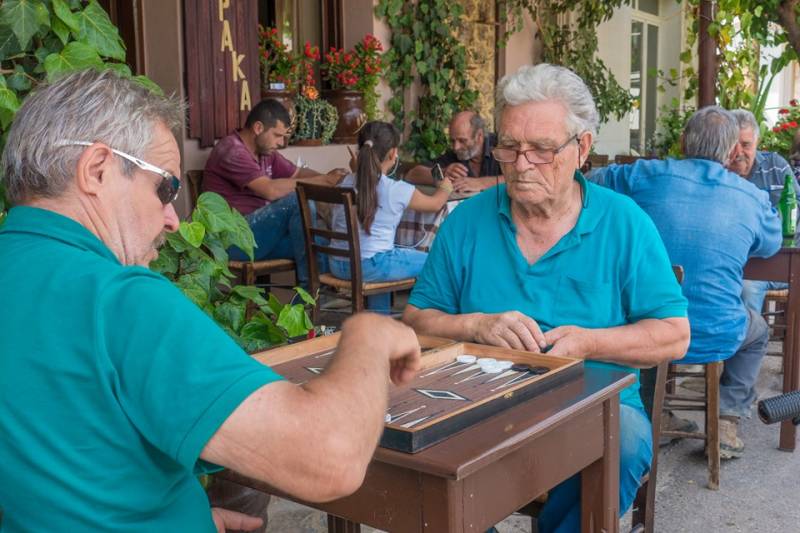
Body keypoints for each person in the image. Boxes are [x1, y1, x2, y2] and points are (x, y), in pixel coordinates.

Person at [0, 69, 422, 532]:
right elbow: (329, 457)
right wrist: (367, 333)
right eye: (165, 188)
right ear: (98, 169)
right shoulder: (118, 301)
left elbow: (65, 465)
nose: (172, 219)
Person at [402, 64, 690, 533]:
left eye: (541, 149)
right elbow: (415, 320)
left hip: (594, 405)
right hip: (476, 402)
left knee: (625, 443)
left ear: (582, 149)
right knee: (412, 460)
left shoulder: (625, 224)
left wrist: (589, 342)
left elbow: (674, 336)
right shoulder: (465, 222)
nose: (520, 164)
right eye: (510, 147)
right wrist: (475, 325)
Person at [592, 106, 782, 459]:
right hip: (715, 333)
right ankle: (725, 419)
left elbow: (595, 180)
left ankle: (655, 412)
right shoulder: (750, 196)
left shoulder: (645, 174)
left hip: (646, 333)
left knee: (645, 311)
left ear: (682, 142)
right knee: (758, 334)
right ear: (732, 152)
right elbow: (772, 243)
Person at [203, 99, 347, 285]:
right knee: (297, 199)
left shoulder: (265, 152)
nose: (281, 142)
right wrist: (324, 181)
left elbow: (298, 173)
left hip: (259, 238)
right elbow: (270, 190)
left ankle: (313, 300)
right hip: (231, 242)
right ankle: (309, 294)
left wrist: (332, 178)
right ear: (258, 128)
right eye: (277, 135)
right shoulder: (232, 151)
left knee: (321, 242)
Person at [329, 121, 454, 313]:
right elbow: (436, 204)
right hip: (371, 267)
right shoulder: (395, 190)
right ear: (393, 154)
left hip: (338, 264)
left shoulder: (344, 181)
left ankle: (380, 319)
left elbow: (362, 183)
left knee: (385, 253)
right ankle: (428, 316)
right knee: (438, 261)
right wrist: (445, 186)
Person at [726, 109, 799, 314]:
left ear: (757, 143)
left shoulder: (776, 166)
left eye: (746, 144)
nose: (739, 151)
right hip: (737, 260)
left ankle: (747, 343)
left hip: (782, 259)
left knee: (748, 286)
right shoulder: (719, 172)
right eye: (733, 144)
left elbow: (798, 204)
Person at [404, 110, 503, 192]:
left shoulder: (502, 146)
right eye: (452, 140)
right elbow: (412, 175)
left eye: (462, 140)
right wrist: (443, 173)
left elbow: (516, 177)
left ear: (479, 136)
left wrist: (481, 183)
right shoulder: (454, 154)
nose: (456, 147)